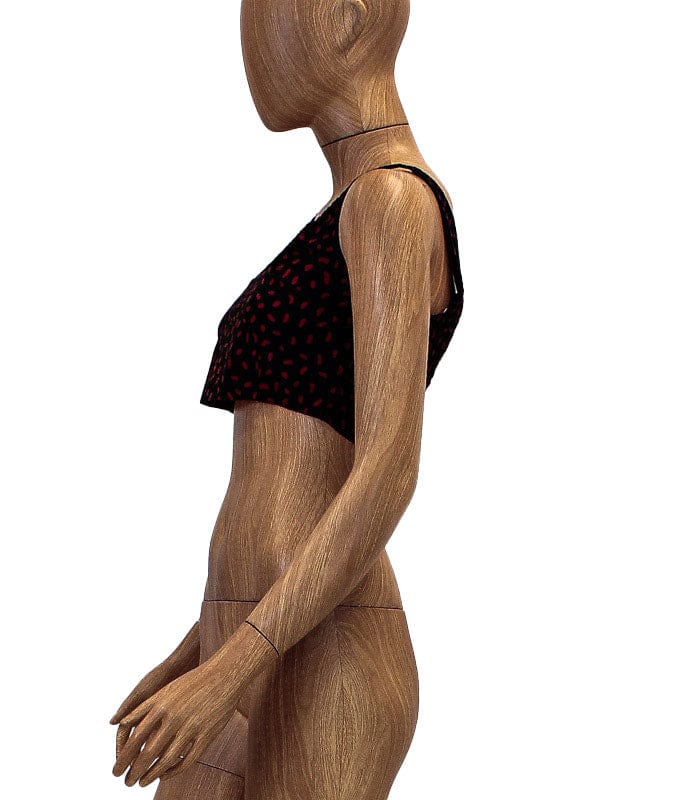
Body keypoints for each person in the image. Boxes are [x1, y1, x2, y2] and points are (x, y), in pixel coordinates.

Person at [110, 2, 464, 798]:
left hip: (321, 652)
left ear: (347, 17)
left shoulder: (391, 201)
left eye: (265, 10)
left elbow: (386, 470)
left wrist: (227, 667)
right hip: (250, 640)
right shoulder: (343, 210)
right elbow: (279, 491)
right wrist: (196, 653)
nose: (250, 41)